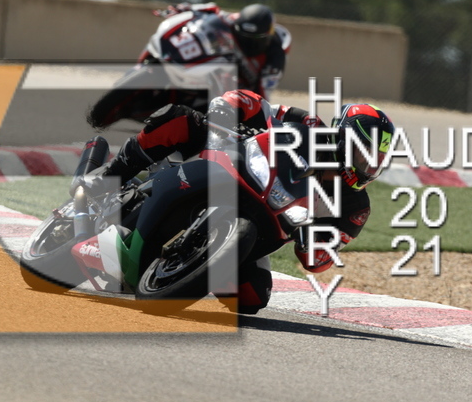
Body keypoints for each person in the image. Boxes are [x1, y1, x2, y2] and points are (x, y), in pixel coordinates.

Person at [77, 89, 395, 314]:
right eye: (364, 154)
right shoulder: (309, 126)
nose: (369, 166)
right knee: (181, 119)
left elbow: (319, 259)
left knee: (254, 297)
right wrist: (227, 112)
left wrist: (312, 242)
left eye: (377, 160)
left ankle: (185, 268)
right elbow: (254, 103)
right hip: (231, 165)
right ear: (344, 138)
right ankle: (109, 176)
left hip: (263, 227)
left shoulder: (355, 208)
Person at [87, 2, 290, 131]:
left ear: (267, 36)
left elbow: (264, 92)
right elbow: (210, 11)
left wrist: (256, 115)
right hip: (212, 63)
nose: (249, 42)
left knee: (220, 114)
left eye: (255, 39)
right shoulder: (231, 20)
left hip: (236, 87)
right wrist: (181, 9)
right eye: (244, 36)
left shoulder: (275, 56)